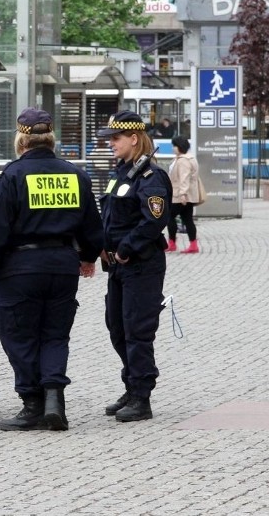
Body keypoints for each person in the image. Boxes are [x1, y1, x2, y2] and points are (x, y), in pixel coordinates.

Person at [0, 108, 104, 432]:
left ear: (21, 139)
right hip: (62, 266)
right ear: (52, 139)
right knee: (55, 335)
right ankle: (54, 401)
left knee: (19, 336)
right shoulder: (75, 175)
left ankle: (32, 405)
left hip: (20, 268)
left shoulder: (11, 177)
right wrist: (88, 257)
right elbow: (93, 226)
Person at [97, 110, 172, 422]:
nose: (111, 143)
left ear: (134, 138)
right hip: (117, 266)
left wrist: (127, 247)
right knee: (117, 327)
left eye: (115, 138)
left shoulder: (151, 177)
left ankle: (142, 396)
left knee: (137, 330)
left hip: (142, 264)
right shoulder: (121, 174)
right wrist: (101, 244)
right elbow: (110, 215)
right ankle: (131, 384)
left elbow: (154, 219)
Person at [166, 136, 201, 254]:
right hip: (189, 195)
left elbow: (184, 178)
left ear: (179, 147)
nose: (173, 148)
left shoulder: (182, 161)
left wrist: (182, 194)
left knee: (169, 216)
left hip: (180, 196)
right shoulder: (190, 158)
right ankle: (193, 245)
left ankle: (171, 243)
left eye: (174, 146)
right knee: (187, 219)